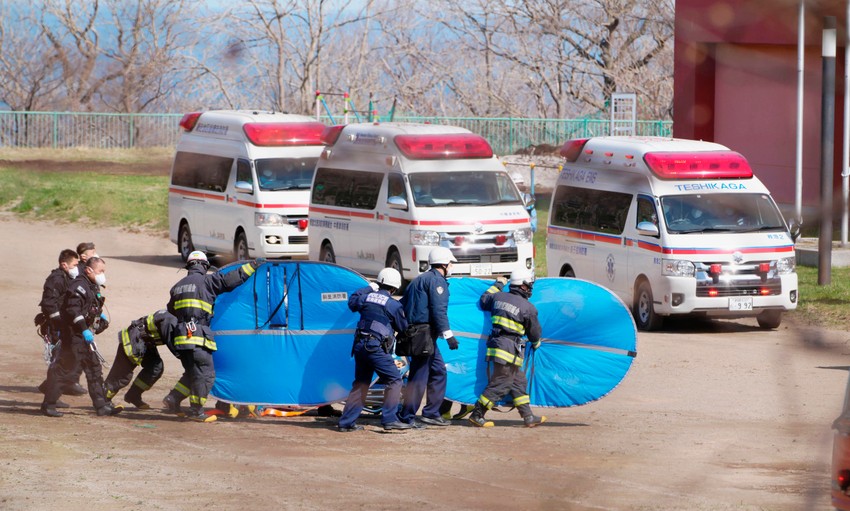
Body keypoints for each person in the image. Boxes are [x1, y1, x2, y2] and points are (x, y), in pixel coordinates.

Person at [161, 251, 261, 422]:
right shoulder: (208, 281)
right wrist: (253, 265)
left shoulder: (176, 287)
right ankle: (195, 411)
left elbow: (171, 311)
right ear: (204, 266)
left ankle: (173, 399)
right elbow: (231, 279)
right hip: (198, 336)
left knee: (193, 373)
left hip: (180, 339)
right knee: (206, 375)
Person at [40, 256, 119, 417]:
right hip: (74, 336)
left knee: (94, 369)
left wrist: (99, 319)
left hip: (83, 337)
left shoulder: (91, 286)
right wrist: (84, 330)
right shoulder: (79, 286)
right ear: (89, 270)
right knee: (65, 370)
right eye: (100, 271)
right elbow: (73, 310)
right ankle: (48, 404)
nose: (102, 274)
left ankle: (101, 406)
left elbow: (90, 308)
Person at [468, 268, 546, 428]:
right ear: (522, 286)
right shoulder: (528, 308)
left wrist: (498, 283)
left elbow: (484, 299)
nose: (530, 288)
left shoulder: (497, 297)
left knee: (518, 381)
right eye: (529, 285)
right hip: (509, 350)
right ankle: (477, 414)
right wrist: (537, 343)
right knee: (502, 382)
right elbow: (534, 333)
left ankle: (528, 416)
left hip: (496, 346)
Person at [337, 268, 412, 432]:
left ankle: (346, 423)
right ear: (395, 288)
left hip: (359, 346)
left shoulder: (366, 297)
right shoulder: (393, 304)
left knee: (361, 383)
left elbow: (352, 301)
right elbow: (403, 327)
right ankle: (390, 419)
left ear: (379, 282)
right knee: (394, 380)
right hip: (375, 348)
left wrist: (370, 287)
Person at [398, 246, 459, 427]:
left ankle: (431, 413)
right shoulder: (437, 281)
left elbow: (402, 304)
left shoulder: (418, 280)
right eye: (451, 264)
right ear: (444, 264)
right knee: (419, 376)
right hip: (423, 335)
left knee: (438, 371)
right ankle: (407, 416)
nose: (452, 267)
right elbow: (438, 311)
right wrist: (449, 336)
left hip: (417, 334)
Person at [104, 309, 178, 410]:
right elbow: (173, 344)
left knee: (155, 368)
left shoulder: (173, 315)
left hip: (145, 342)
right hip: (133, 339)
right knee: (122, 375)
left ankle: (133, 395)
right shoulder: (170, 319)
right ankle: (103, 400)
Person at [35, 249, 81, 404]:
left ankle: (49, 388)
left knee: (64, 359)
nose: (77, 267)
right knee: (58, 362)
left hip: (63, 327)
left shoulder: (67, 278)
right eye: (75, 264)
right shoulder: (56, 279)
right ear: (64, 264)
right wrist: (59, 326)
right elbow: (49, 304)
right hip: (55, 328)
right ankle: (52, 396)